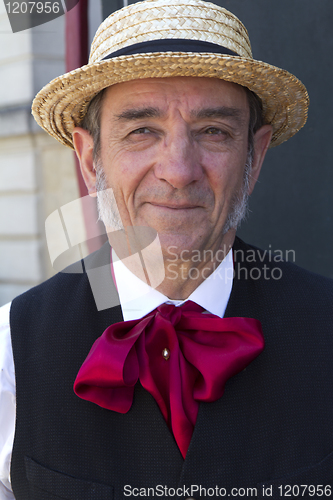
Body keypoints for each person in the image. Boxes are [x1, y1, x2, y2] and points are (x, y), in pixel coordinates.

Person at [1, 0, 333, 498]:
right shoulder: (8, 351)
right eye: (141, 131)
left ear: (255, 157)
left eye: (213, 132)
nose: (178, 170)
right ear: (91, 161)